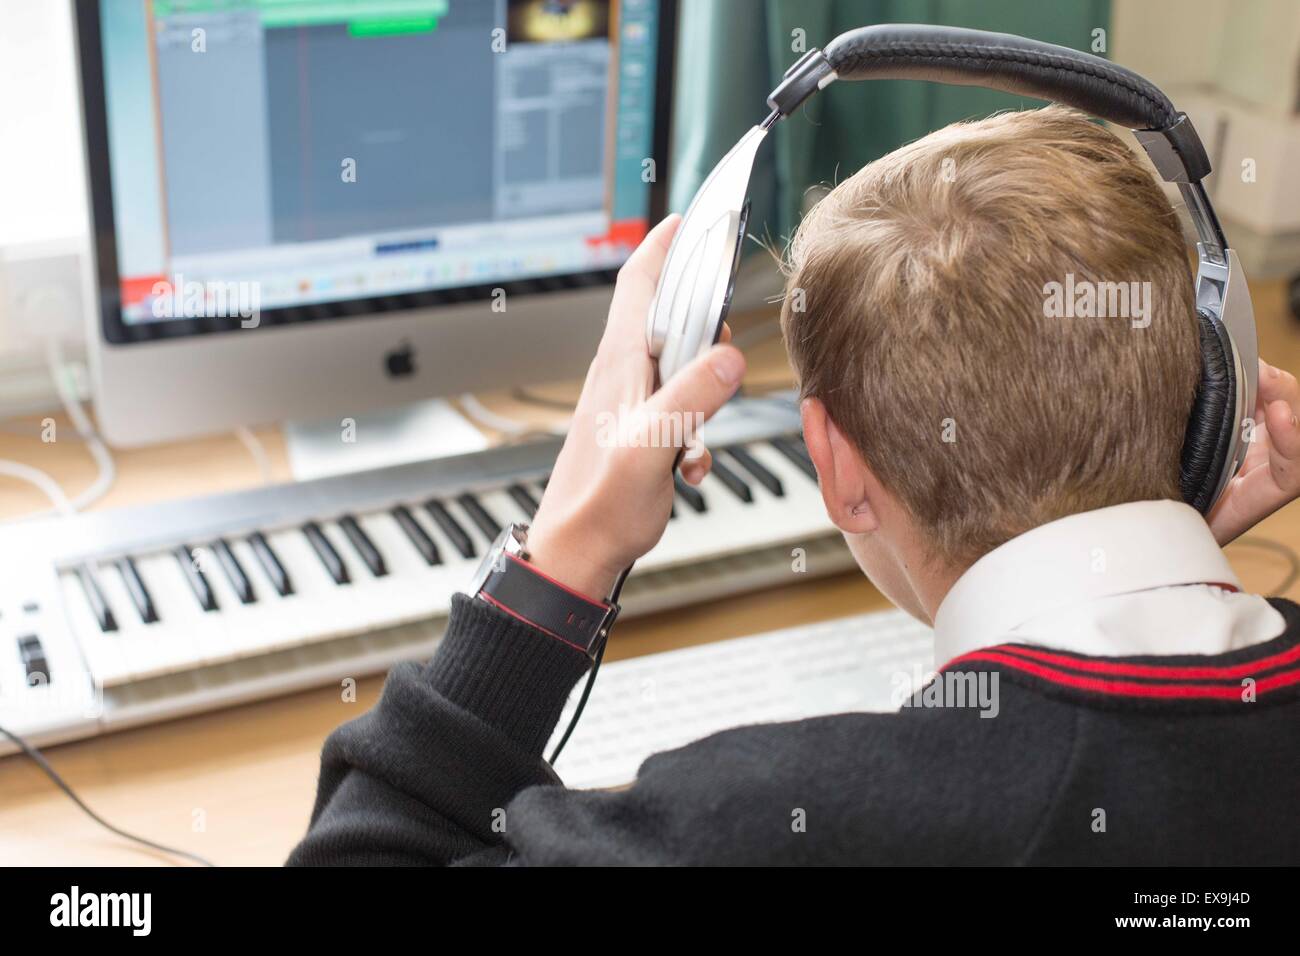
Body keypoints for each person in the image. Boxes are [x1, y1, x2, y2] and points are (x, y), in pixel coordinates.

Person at [287, 106, 1300, 866]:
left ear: (836, 463)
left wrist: (561, 554)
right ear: (1208, 390)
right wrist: (1144, 536)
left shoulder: (764, 819)